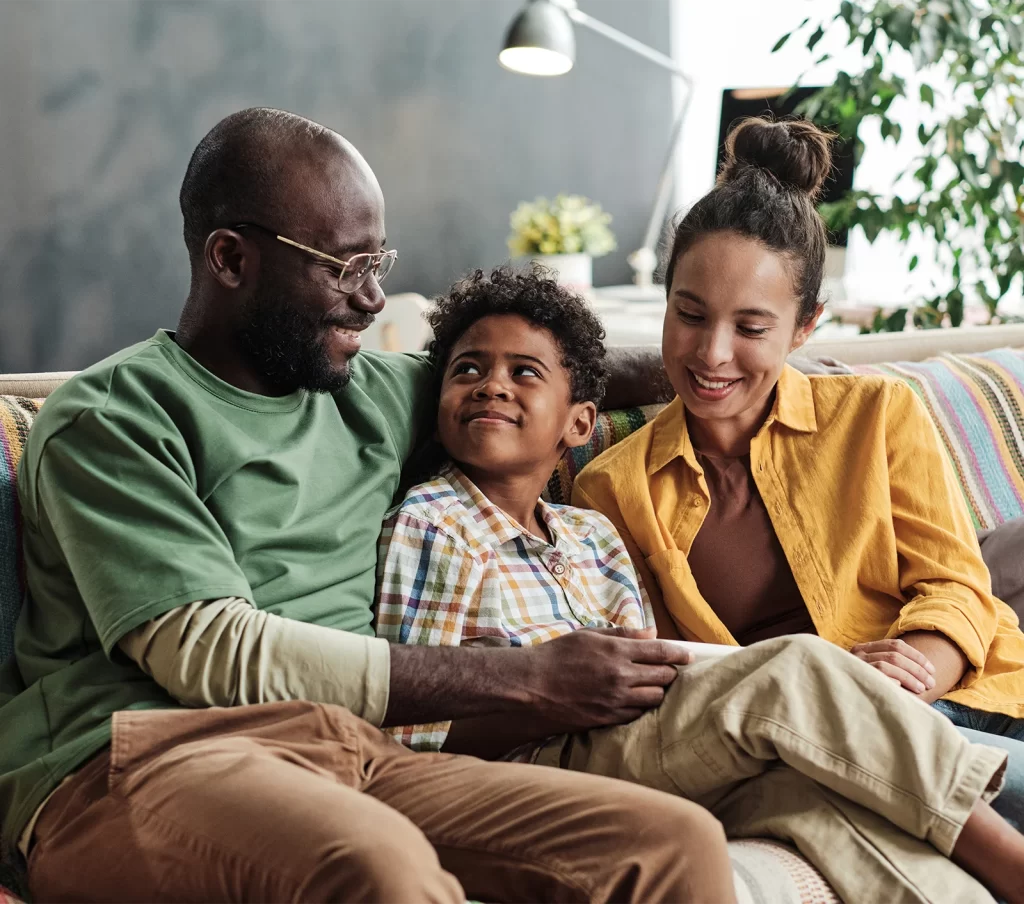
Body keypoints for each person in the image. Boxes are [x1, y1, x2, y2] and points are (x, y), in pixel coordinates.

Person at [0, 107, 751, 904]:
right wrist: (526, 677)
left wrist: (737, 364)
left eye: (377, 261)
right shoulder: (113, 418)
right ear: (231, 258)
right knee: (378, 868)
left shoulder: (367, 391)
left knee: (669, 844)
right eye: (346, 266)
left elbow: (563, 371)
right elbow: (210, 653)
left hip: (347, 750)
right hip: (135, 761)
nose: (373, 298)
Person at [573, 116, 1024, 838]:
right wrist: (840, 698)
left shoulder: (877, 414)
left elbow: (958, 586)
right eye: (690, 315)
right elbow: (668, 675)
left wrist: (903, 678)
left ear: (805, 325)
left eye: (751, 329)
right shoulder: (614, 489)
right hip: (807, 744)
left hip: (964, 698)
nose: (712, 353)